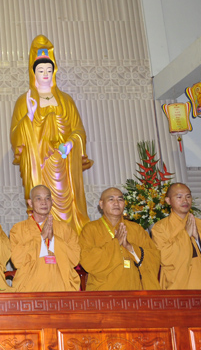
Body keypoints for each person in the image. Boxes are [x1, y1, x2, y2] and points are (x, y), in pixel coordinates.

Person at [10, 35, 93, 234]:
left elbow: (78, 129)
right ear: (33, 73)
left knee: (70, 207)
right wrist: (30, 117)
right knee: (42, 201)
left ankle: (72, 237)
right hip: (40, 164)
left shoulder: (66, 100)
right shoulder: (24, 101)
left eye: (49, 70)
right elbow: (16, 136)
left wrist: (71, 143)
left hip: (65, 163)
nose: (45, 74)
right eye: (41, 70)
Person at [152, 183, 201, 289]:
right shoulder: (160, 228)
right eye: (179, 197)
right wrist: (185, 235)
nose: (185, 201)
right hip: (179, 286)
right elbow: (164, 256)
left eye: (188, 196)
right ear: (168, 200)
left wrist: (199, 239)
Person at [80, 188, 160, 291]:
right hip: (103, 291)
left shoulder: (136, 229)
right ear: (101, 204)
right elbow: (87, 259)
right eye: (111, 199)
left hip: (134, 290)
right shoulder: (90, 229)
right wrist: (115, 243)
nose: (116, 203)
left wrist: (130, 247)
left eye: (120, 199)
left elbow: (154, 257)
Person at [10, 185, 80, 292]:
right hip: (30, 290)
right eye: (38, 199)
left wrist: (54, 239)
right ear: (30, 203)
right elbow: (17, 260)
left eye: (47, 198)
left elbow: (74, 259)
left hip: (61, 288)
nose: (44, 202)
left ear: (52, 202)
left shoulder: (65, 229)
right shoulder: (18, 229)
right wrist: (41, 238)